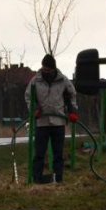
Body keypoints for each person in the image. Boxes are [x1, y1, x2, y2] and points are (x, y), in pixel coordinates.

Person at [25, 54, 78, 184]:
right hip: (41, 122)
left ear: (53, 69)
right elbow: (28, 97)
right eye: (43, 69)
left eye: (48, 70)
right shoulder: (35, 81)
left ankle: (58, 178)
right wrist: (34, 109)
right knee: (39, 153)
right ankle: (36, 179)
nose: (45, 72)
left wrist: (73, 111)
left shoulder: (63, 81)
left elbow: (72, 96)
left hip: (58, 122)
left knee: (58, 153)